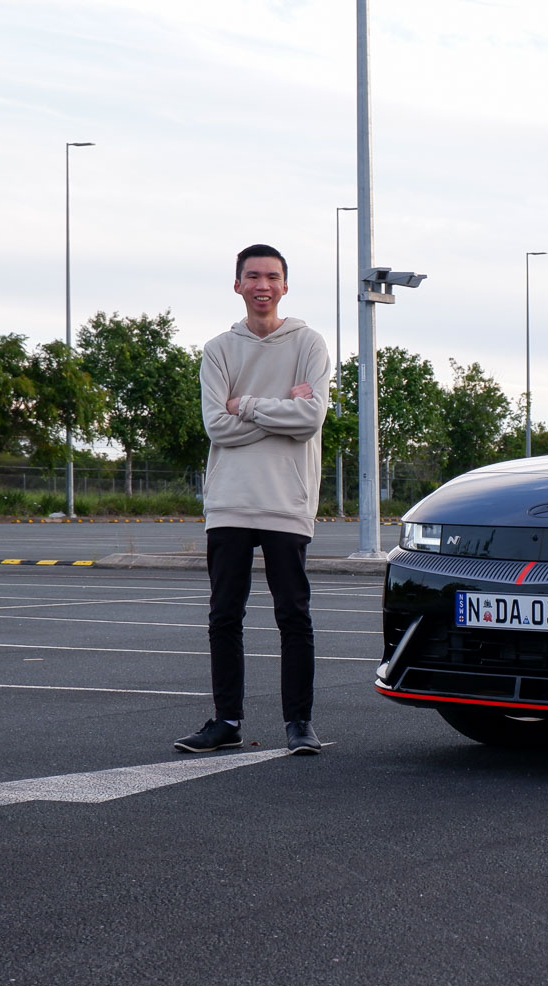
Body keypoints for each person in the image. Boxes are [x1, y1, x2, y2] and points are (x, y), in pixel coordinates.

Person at [175, 243, 332, 755]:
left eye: (272, 277)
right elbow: (215, 425)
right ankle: (227, 721)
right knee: (225, 615)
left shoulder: (308, 343)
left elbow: (310, 420)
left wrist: (246, 405)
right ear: (237, 284)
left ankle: (300, 725)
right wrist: (281, 406)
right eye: (252, 276)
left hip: (287, 501)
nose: (262, 285)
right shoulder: (219, 349)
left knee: (293, 616)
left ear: (285, 286)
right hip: (230, 501)